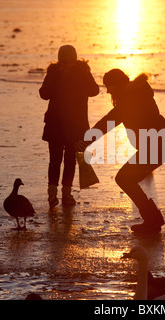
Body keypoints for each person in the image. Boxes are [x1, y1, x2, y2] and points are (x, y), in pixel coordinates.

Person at [76, 69, 165, 234]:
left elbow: (109, 121)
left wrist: (86, 141)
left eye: (109, 86)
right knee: (126, 179)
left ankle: (153, 220)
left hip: (157, 145)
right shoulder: (134, 95)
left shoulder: (131, 100)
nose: (107, 91)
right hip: (159, 144)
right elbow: (110, 120)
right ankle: (153, 220)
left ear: (117, 84)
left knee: (124, 179)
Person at [39, 45, 99, 208]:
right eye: (64, 61)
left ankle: (66, 194)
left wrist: (77, 73)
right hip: (57, 124)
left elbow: (94, 91)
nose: (66, 63)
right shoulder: (54, 72)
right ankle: (53, 196)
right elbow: (44, 94)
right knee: (56, 160)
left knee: (70, 160)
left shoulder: (81, 71)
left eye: (68, 60)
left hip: (73, 124)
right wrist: (57, 75)